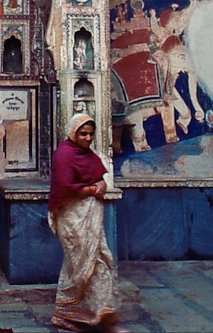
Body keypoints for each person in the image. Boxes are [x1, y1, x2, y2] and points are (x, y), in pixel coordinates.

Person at [48, 114, 124, 333]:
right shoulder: (63, 155)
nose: (88, 138)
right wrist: (92, 189)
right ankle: (99, 316)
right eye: (83, 133)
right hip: (72, 221)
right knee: (84, 266)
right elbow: (64, 188)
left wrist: (100, 184)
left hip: (90, 221)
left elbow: (98, 176)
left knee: (93, 263)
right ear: (73, 132)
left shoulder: (87, 155)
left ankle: (76, 313)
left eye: (91, 134)